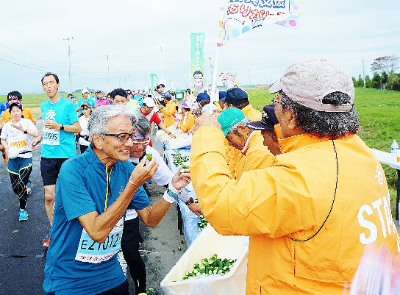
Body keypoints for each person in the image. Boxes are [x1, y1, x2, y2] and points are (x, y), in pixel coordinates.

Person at [190, 55, 399, 294]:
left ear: (290, 115)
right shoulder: (359, 151)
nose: (275, 107)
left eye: (277, 101)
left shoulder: (300, 176)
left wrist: (207, 134)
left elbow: (220, 204)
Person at [43, 105, 191, 295]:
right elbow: (96, 232)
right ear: (97, 139)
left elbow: (150, 219)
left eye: (131, 136)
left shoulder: (125, 169)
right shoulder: (73, 170)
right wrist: (132, 185)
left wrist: (172, 190)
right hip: (71, 278)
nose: (130, 144)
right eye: (122, 137)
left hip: (110, 273)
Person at [122, 115, 200, 294]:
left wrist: (190, 202)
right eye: (136, 141)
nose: (141, 146)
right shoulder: (118, 154)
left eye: (145, 141)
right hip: (109, 211)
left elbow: (169, 181)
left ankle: (141, 288)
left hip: (131, 213)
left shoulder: (149, 154)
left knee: (132, 255)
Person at [31, 72, 81, 247]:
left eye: (51, 83)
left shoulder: (67, 105)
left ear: (58, 85)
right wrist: (39, 137)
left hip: (66, 156)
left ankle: (75, 231)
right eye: (45, 84)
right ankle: (55, 233)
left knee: (70, 195)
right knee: (49, 197)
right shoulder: (44, 106)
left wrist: (59, 126)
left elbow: (77, 128)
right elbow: (48, 127)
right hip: (47, 156)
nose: (48, 86)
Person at [1, 103, 39, 221]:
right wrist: (7, 148)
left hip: (26, 157)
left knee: (21, 184)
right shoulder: (7, 125)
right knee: (15, 188)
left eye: (18, 110)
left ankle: (22, 210)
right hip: (12, 159)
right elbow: (2, 139)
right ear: (10, 113)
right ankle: (22, 196)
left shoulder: (27, 122)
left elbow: (36, 134)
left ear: (21, 112)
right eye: (13, 111)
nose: (16, 113)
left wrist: (23, 129)